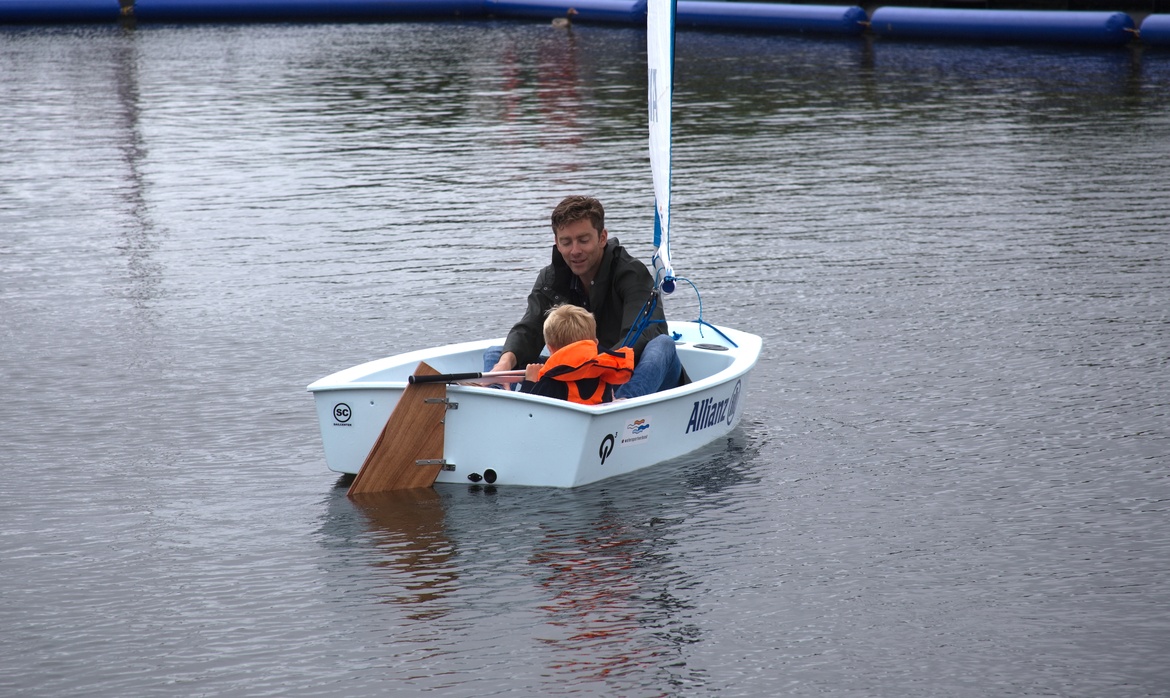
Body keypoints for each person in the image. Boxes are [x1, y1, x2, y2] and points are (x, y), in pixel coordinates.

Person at [485, 195, 683, 399]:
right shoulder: (550, 278)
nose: (575, 251)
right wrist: (505, 364)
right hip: (577, 376)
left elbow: (640, 336)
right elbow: (529, 329)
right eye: (566, 242)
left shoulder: (632, 274)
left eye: (583, 240)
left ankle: (620, 407)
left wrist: (592, 366)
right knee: (497, 355)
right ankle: (498, 404)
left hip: (627, 376)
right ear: (557, 243)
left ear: (602, 237)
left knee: (663, 345)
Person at [519, 305, 634, 405]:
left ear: (549, 348)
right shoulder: (603, 377)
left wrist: (530, 381)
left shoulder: (550, 381)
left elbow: (527, 413)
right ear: (595, 343)